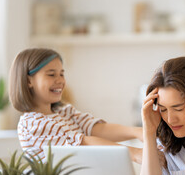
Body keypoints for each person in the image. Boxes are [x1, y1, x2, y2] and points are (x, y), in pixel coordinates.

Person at [9, 48, 143, 162]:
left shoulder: (64, 112)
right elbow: (83, 143)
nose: (60, 80)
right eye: (51, 74)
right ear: (28, 81)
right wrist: (135, 154)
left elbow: (97, 129)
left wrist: (137, 132)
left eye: (62, 74)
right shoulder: (32, 123)